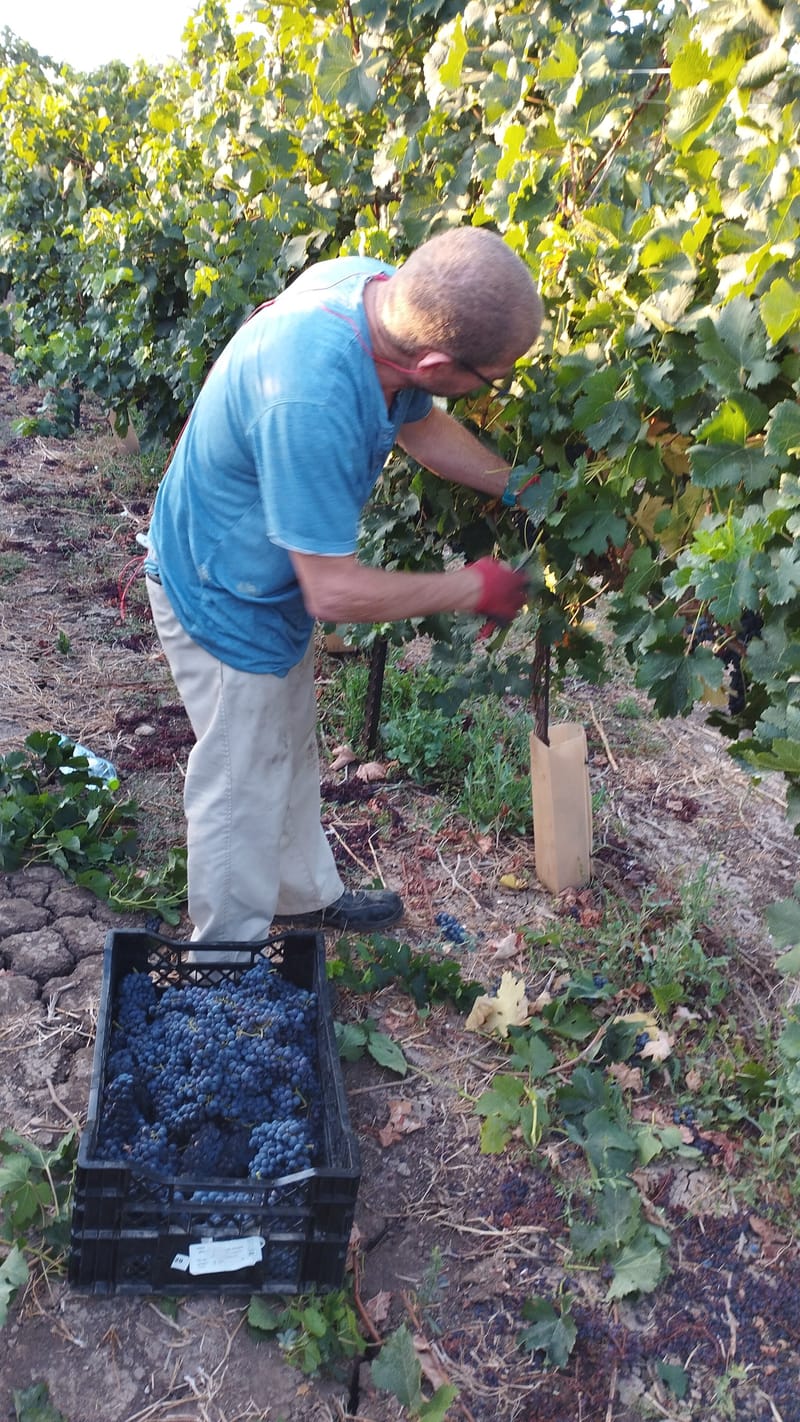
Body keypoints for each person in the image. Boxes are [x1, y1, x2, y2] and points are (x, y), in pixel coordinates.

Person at [145, 225, 543, 947]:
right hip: (223, 589)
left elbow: (420, 427)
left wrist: (520, 486)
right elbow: (333, 594)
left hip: (264, 574)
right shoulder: (311, 399)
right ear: (436, 361)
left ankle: (300, 898)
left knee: (286, 746)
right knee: (243, 779)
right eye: (490, 378)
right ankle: (222, 959)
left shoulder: (380, 293)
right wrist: (471, 587)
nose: (494, 390)